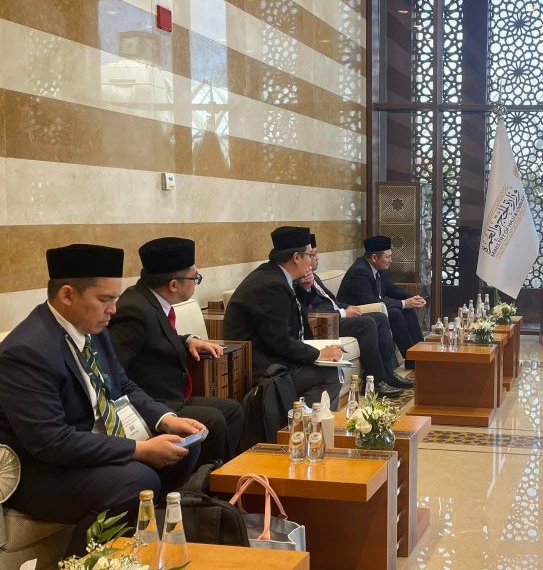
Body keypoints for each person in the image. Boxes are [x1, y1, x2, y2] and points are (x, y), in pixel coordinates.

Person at [0, 244, 202, 554]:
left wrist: (165, 419)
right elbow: (50, 441)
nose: (113, 310)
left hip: (97, 441)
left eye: (115, 299)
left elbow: (122, 385)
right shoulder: (27, 351)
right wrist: (138, 450)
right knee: (137, 480)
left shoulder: (94, 329)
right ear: (68, 295)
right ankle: (84, 562)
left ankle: (135, 545)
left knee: (185, 446)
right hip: (42, 470)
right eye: (105, 300)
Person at [109, 237, 244, 466]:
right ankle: (206, 481)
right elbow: (114, 371)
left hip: (173, 396)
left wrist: (188, 340)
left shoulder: (149, 300)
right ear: (173, 285)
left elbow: (154, 339)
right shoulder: (133, 310)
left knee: (233, 410)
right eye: (195, 278)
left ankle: (227, 474)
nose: (196, 282)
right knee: (214, 420)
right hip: (153, 403)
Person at [223, 226, 346, 408]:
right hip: (260, 368)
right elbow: (279, 340)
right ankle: (299, 422)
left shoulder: (277, 276)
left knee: (331, 368)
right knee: (330, 374)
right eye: (309, 255)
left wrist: (305, 289)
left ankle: (306, 418)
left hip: (274, 357)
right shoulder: (271, 285)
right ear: (296, 257)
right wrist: (319, 354)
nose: (311, 261)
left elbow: (295, 319)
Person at [294, 233, 410, 395]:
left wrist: (349, 308)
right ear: (298, 258)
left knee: (380, 318)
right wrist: (343, 312)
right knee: (367, 323)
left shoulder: (314, 277)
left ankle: (388, 374)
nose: (317, 258)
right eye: (313, 255)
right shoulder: (298, 282)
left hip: (334, 318)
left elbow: (333, 302)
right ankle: (374, 382)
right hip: (320, 325)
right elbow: (310, 313)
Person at [338, 236, 426, 369]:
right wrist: (404, 303)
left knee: (406, 308)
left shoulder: (379, 269)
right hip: (358, 314)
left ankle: (420, 356)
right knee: (396, 312)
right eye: (387, 257)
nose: (391, 260)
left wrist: (414, 298)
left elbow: (393, 290)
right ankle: (412, 360)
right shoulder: (359, 272)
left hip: (377, 310)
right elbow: (372, 303)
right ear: (374, 257)